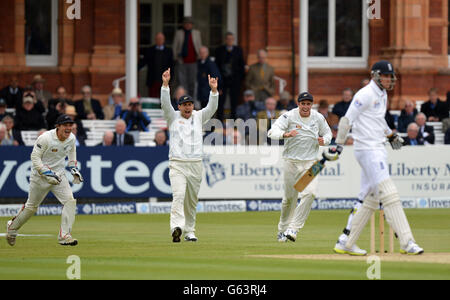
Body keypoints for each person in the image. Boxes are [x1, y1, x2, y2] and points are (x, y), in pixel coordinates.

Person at [328, 60, 424, 255]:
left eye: (391, 76)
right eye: (386, 76)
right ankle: (407, 242)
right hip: (367, 149)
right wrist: (338, 143)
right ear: (375, 75)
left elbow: (378, 119)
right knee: (389, 192)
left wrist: (390, 135)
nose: (389, 79)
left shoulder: (383, 94)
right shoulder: (364, 94)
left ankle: (346, 241)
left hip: (377, 147)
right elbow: (347, 119)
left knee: (369, 198)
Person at [5, 114, 83, 246]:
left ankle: (64, 236)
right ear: (58, 126)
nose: (69, 128)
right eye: (66, 125)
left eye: (70, 125)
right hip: (40, 177)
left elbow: (72, 156)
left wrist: (74, 170)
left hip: (59, 176)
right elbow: (35, 158)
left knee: (70, 201)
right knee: (31, 208)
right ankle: (12, 229)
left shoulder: (71, 139)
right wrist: (47, 173)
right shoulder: (45, 138)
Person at [160, 68, 218, 243]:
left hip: (195, 164)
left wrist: (214, 91)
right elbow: (164, 104)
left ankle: (190, 231)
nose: (188, 108)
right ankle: (176, 227)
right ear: (179, 107)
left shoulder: (199, 117)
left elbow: (212, 107)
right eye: (184, 105)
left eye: (190, 105)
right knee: (178, 195)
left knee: (191, 201)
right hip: (177, 164)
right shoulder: (172, 117)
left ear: (193, 106)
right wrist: (165, 85)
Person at [267, 92, 332, 242]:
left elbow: (328, 134)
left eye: (308, 104)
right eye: (303, 104)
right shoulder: (289, 116)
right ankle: (282, 230)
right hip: (291, 162)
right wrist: (286, 134)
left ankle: (293, 228)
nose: (305, 107)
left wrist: (325, 141)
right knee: (289, 200)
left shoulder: (318, 117)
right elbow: (272, 132)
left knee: (311, 193)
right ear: (298, 104)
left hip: (311, 163)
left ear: (311, 105)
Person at [215, 32, 246, 120]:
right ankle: (219, 121)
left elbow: (241, 65)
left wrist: (240, 79)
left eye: (231, 39)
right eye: (228, 39)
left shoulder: (238, 50)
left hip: (235, 81)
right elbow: (216, 66)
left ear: (234, 40)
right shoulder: (219, 50)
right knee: (220, 101)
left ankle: (233, 121)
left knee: (234, 102)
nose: (229, 41)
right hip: (222, 81)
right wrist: (218, 81)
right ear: (225, 40)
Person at [172, 17, 202, 98]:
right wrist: (176, 57)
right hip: (182, 62)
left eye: (190, 23)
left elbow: (199, 45)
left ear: (192, 25)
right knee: (182, 83)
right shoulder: (179, 33)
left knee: (192, 83)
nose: (188, 25)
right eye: (186, 23)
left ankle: (191, 101)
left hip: (193, 62)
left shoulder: (196, 33)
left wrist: (200, 56)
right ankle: (184, 101)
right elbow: (175, 46)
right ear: (183, 25)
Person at [139, 32, 174, 97]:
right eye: (158, 39)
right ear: (155, 40)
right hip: (152, 80)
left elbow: (171, 65)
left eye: (161, 39)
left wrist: (170, 79)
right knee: (153, 97)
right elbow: (144, 62)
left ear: (164, 40)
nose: (159, 40)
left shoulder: (169, 51)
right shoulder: (150, 50)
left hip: (165, 80)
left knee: (164, 97)